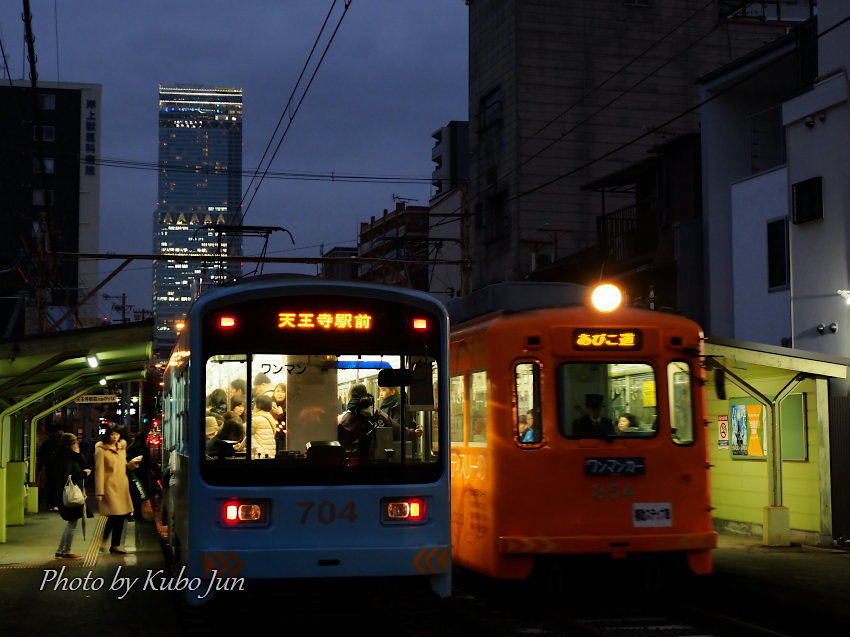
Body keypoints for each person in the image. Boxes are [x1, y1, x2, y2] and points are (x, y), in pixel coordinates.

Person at [95, 424, 142, 554]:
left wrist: (133, 464)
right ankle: (106, 541)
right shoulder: (101, 449)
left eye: (117, 434)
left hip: (122, 486)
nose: (115, 437)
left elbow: (124, 466)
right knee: (115, 515)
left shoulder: (122, 446)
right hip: (109, 486)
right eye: (112, 434)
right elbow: (99, 471)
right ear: (107, 435)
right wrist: (99, 491)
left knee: (120, 516)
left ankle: (114, 544)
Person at [52, 433, 91, 559]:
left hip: (65, 493)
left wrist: (78, 453)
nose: (77, 444)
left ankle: (60, 550)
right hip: (69, 494)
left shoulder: (67, 456)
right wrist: (84, 474)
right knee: (72, 523)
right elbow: (68, 476)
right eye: (75, 442)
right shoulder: (66, 458)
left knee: (71, 522)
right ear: (70, 444)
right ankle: (67, 551)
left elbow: (83, 461)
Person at [38, 425, 65, 511]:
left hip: (50, 467)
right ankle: (58, 504)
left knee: (50, 486)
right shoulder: (61, 442)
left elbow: (41, 455)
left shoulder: (46, 443)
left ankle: (50, 505)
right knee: (58, 486)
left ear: (48, 433)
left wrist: (42, 466)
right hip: (60, 467)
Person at [250, 394, 278, 458]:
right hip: (270, 454)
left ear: (258, 406)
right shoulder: (270, 418)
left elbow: (245, 430)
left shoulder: (256, 419)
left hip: (259, 454)